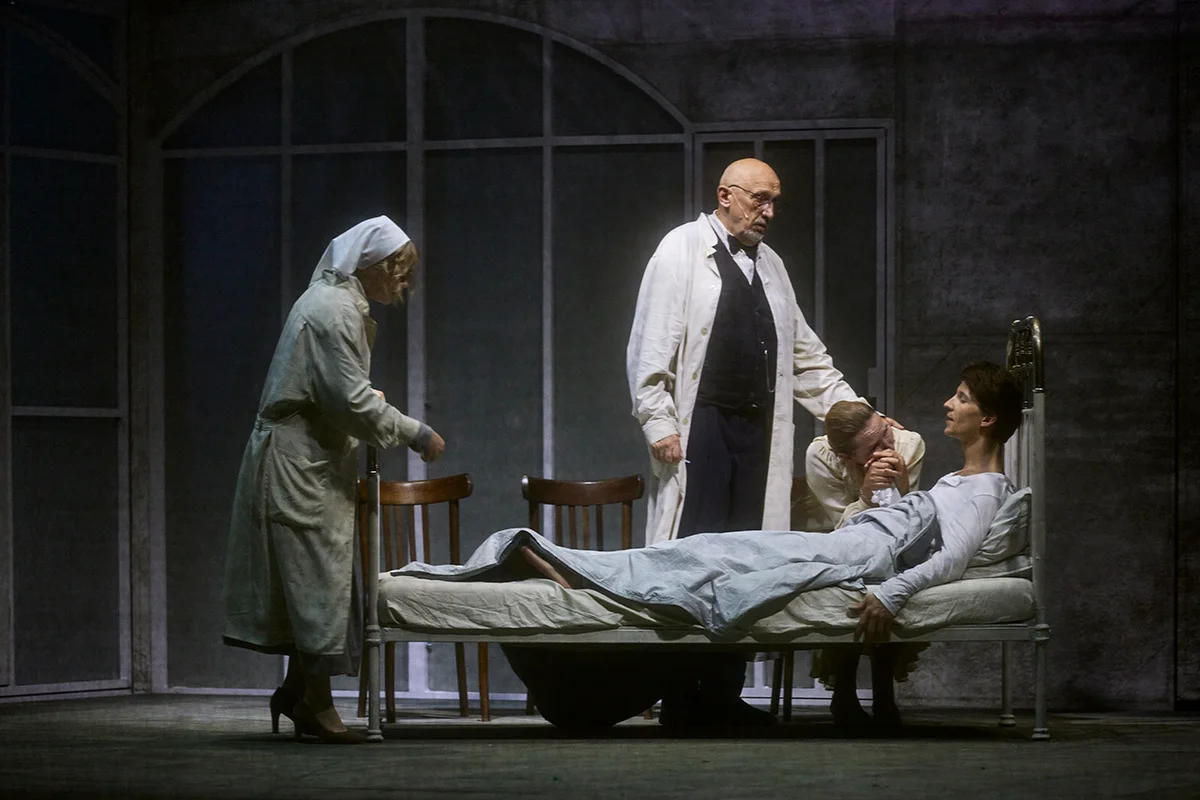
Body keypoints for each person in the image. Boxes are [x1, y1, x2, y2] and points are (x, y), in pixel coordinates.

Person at [401, 362, 1022, 692]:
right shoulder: (955, 480)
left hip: (861, 555)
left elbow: (949, 558)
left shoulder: (985, 489)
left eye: (963, 398)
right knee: (711, 547)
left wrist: (891, 593)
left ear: (988, 419)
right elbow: (909, 526)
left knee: (716, 561)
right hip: (856, 539)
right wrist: (883, 492)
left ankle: (580, 571)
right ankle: (577, 569)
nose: (949, 403)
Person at [625, 157, 891, 724]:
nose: (769, 212)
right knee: (692, 557)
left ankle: (722, 694)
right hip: (702, 429)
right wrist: (658, 421)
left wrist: (859, 415)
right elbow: (650, 343)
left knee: (747, 561)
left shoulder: (771, 265)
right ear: (726, 195)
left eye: (775, 202)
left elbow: (806, 357)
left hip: (757, 432)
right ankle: (681, 699)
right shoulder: (680, 249)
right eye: (759, 199)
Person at [222, 216, 445, 744]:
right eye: (398, 270)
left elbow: (338, 391)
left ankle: (297, 692)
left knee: (321, 578)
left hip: (311, 459)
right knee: (316, 579)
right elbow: (349, 400)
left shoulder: (339, 305)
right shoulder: (333, 310)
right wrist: (416, 432)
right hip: (299, 463)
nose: (404, 282)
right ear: (374, 266)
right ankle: (316, 705)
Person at [800, 400, 927, 729]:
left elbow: (908, 519)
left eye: (885, 433)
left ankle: (884, 693)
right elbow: (839, 526)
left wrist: (901, 485)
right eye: (873, 447)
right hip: (837, 539)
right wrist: (866, 496)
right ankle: (844, 691)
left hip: (893, 541)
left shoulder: (909, 444)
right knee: (848, 586)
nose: (887, 446)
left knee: (890, 582)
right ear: (845, 455)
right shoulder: (820, 456)